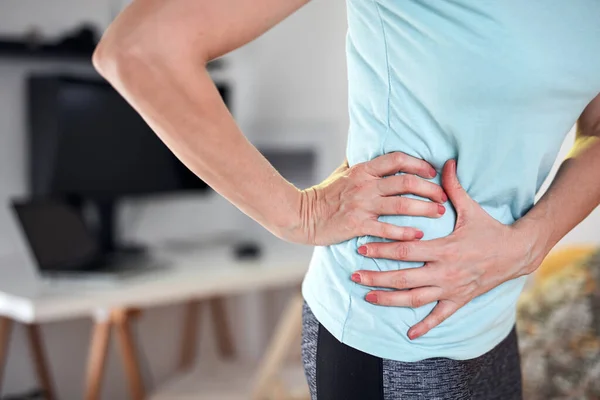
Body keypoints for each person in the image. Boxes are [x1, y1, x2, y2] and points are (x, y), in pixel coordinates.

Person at [92, 0, 600, 399]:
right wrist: (298, 215)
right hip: (395, 332)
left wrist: (531, 243)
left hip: (493, 316)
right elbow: (140, 49)